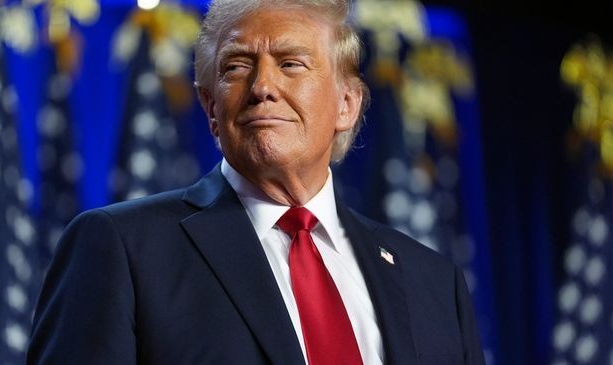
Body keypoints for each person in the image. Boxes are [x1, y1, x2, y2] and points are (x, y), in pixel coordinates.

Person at [27, 0, 486, 364]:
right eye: (237, 66)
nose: (262, 86)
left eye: (291, 64)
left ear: (347, 104)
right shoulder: (122, 248)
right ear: (211, 108)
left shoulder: (432, 281)